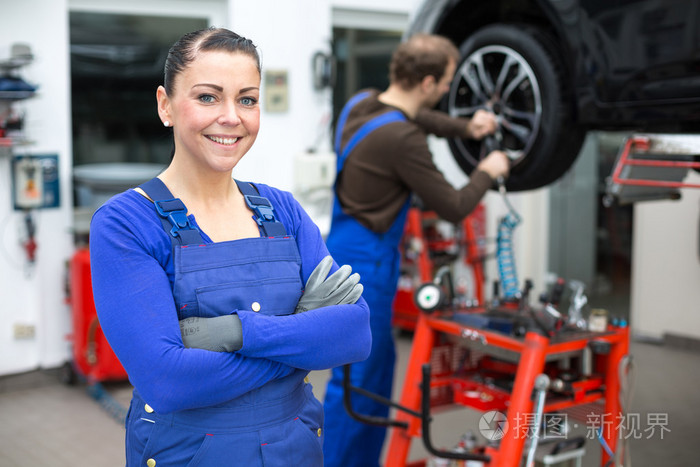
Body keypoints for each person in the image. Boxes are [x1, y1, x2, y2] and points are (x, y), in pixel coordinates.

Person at [89, 27, 371, 466]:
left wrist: (235, 333)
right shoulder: (126, 224)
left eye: (247, 99)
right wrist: (301, 342)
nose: (231, 116)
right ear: (165, 105)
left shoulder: (284, 211)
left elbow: (354, 333)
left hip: (294, 449)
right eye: (207, 97)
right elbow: (168, 381)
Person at [321, 33, 510, 467]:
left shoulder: (361, 103)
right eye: (444, 83)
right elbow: (455, 205)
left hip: (341, 249)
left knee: (366, 369)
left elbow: (420, 119)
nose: (446, 91)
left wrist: (466, 127)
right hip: (369, 263)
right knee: (361, 379)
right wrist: (486, 170)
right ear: (426, 82)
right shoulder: (404, 141)